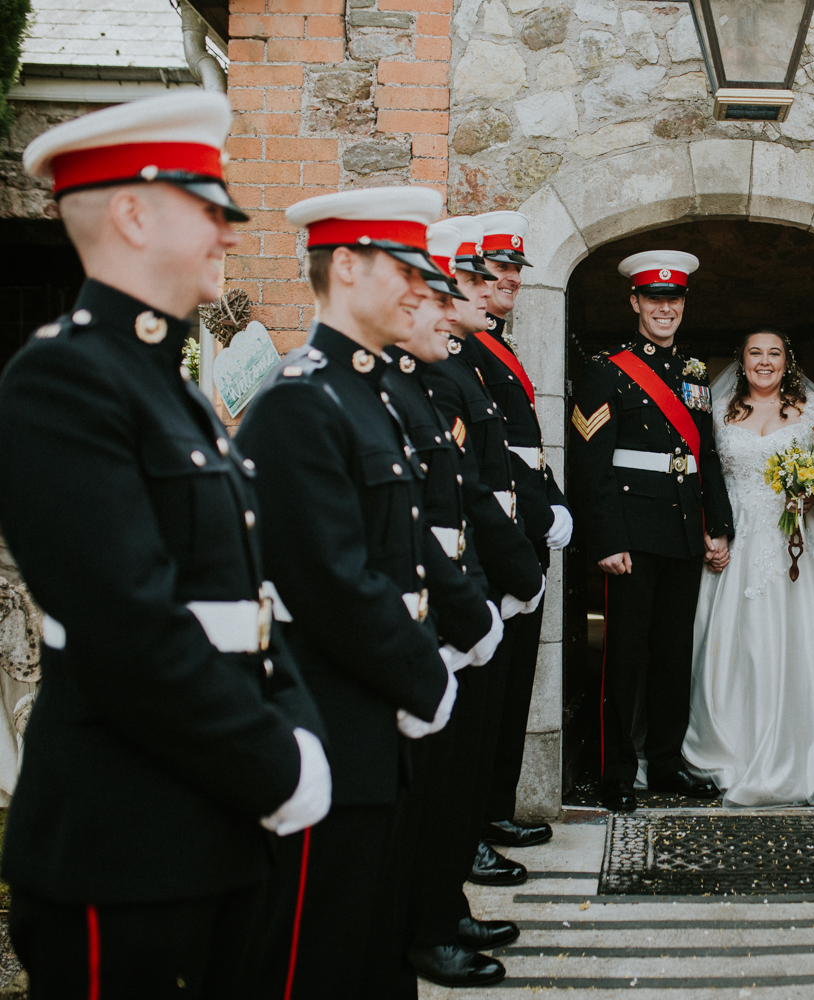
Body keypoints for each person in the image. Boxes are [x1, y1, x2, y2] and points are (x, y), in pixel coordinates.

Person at [0, 90, 329, 999]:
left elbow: (248, 607)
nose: (229, 234)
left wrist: (302, 734)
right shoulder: (62, 380)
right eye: (210, 210)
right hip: (128, 844)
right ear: (134, 214)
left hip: (223, 824)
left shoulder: (173, 387)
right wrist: (276, 763)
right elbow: (127, 628)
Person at [237, 186, 457, 999]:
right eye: (403, 269)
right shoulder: (302, 398)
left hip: (373, 724)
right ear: (345, 264)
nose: (419, 289)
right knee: (314, 957)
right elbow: (330, 580)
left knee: (371, 951)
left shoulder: (367, 397)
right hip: (329, 720)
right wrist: (424, 675)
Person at [377, 231, 517, 990]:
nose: (451, 304)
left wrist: (481, 602)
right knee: (422, 797)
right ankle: (425, 922)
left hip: (456, 601)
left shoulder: (427, 380)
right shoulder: (368, 389)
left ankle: (439, 909)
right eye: (438, 292)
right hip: (412, 629)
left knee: (449, 788)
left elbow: (461, 494)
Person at [683, 328, 814, 806]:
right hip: (734, 537)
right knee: (733, 642)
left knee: (811, 638)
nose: (764, 361)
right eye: (755, 353)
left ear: (787, 362)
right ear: (741, 362)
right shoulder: (718, 412)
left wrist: (805, 493)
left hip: (799, 535)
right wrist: (710, 529)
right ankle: (728, 749)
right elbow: (705, 473)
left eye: (773, 353)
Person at [570, 251, 734, 811]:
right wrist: (606, 539)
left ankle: (665, 765)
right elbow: (592, 464)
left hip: (685, 530)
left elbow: (704, 454)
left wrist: (720, 525)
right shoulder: (605, 368)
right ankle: (614, 771)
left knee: (672, 656)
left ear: (683, 304)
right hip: (632, 536)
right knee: (624, 656)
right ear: (635, 302)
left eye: (675, 299)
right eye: (655, 299)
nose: (665, 308)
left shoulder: (692, 371)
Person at [420, 215, 545, 889]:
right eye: (473, 277)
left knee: (486, 718)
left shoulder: (477, 356)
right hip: (470, 563)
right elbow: (465, 481)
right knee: (462, 735)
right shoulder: (449, 369)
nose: (496, 284)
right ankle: (461, 850)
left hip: (497, 547)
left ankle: (474, 829)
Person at [468, 210, 571, 854]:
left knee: (509, 694)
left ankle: (494, 809)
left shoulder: (497, 345)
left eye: (512, 270)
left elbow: (527, 450)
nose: (507, 280)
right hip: (494, 542)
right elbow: (490, 459)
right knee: (487, 701)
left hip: (522, 536)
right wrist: (537, 515)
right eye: (496, 270)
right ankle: (474, 822)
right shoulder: (466, 351)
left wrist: (553, 500)